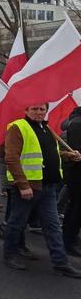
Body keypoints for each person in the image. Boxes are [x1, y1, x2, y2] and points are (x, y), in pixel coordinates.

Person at [2, 103, 81, 277]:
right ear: (26, 110)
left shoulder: (46, 129)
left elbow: (51, 153)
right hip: (29, 187)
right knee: (17, 223)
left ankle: (60, 263)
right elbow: (12, 158)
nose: (39, 112)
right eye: (34, 109)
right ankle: (10, 254)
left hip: (48, 187)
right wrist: (23, 185)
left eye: (42, 109)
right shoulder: (18, 127)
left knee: (52, 226)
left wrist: (68, 155)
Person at [64, 107, 81, 257]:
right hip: (76, 173)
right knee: (76, 207)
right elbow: (76, 151)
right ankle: (68, 240)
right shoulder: (77, 124)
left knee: (74, 207)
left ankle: (71, 237)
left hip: (76, 173)